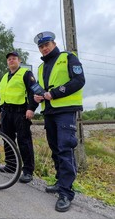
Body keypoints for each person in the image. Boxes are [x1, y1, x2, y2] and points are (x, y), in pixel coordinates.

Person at [33, 31, 85, 212]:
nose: (44, 48)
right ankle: (60, 181)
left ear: (54, 44)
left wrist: (54, 94)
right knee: (55, 149)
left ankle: (66, 193)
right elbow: (43, 89)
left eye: (46, 45)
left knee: (65, 148)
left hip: (65, 111)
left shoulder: (68, 58)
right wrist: (38, 97)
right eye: (41, 46)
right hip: (49, 112)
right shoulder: (40, 68)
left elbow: (79, 80)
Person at [0, 51, 38, 183]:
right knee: (7, 139)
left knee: (24, 140)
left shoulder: (25, 73)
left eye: (14, 58)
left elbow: (34, 91)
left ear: (19, 61)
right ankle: (11, 165)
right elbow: (0, 95)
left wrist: (31, 108)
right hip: (6, 112)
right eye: (9, 59)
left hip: (21, 111)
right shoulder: (4, 77)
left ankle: (28, 171)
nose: (11, 61)